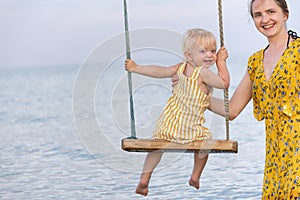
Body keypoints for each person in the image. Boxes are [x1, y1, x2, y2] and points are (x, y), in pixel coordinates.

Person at [172, 0, 300, 199]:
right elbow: (231, 110)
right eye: (258, 15)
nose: (265, 19)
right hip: (277, 153)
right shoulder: (256, 62)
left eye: (271, 12)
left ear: (285, 14)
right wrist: (193, 92)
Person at [125, 28, 230, 196]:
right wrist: (222, 62)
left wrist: (136, 68)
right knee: (205, 143)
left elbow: (160, 71)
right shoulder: (203, 72)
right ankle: (195, 176)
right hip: (191, 129)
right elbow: (224, 83)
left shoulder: (180, 68)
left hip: (168, 124)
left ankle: (144, 180)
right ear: (189, 56)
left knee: (156, 147)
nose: (210, 55)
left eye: (212, 50)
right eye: (203, 51)